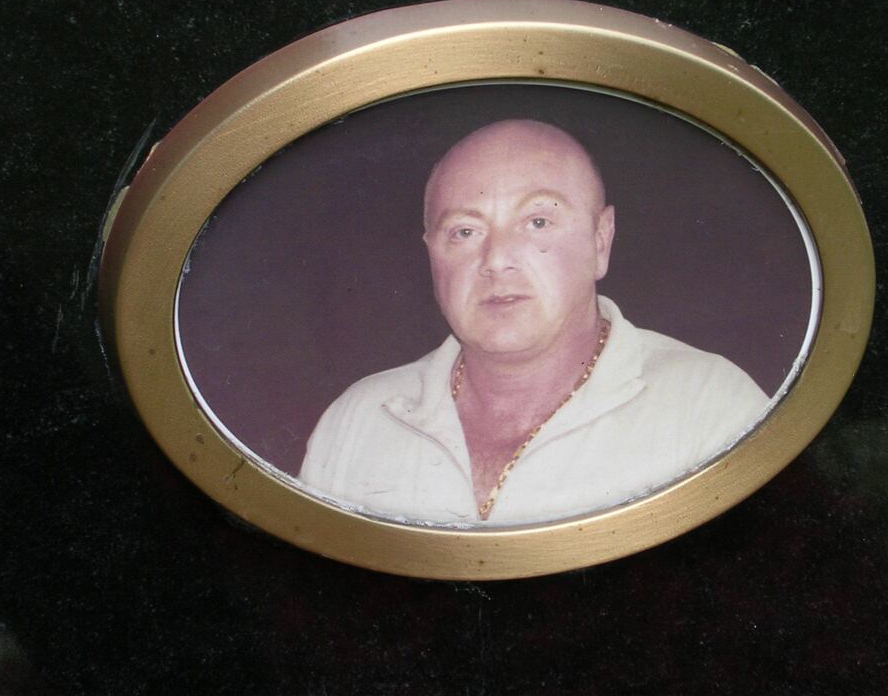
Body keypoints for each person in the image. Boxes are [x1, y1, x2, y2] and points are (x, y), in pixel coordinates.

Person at [298, 119, 769, 526]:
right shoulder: (359, 420)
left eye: (537, 222)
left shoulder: (710, 409)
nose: (496, 259)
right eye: (464, 231)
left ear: (600, 240)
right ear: (431, 254)